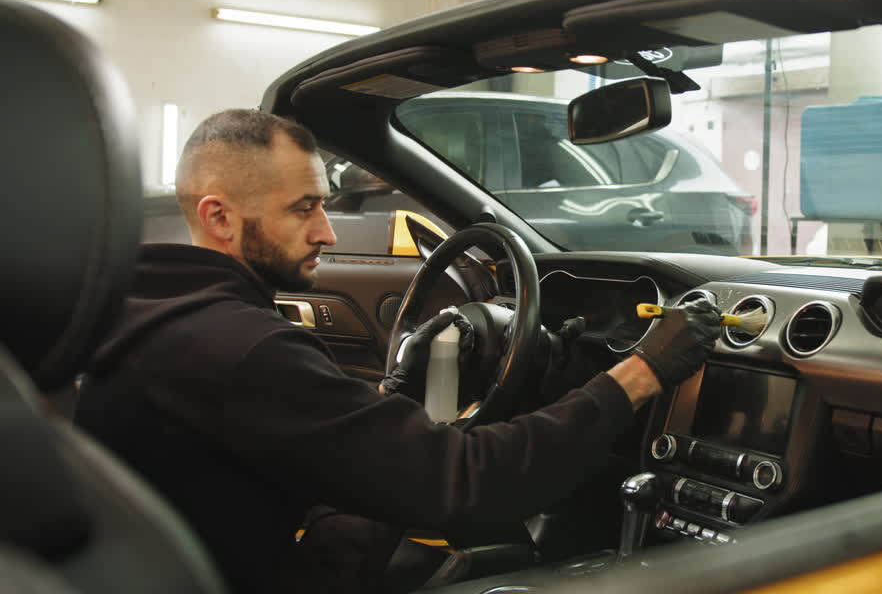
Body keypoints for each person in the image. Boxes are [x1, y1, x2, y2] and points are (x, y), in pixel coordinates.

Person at [74, 108, 722, 594]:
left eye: (323, 205)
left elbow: (316, 440)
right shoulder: (244, 351)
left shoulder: (141, 307)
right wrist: (643, 370)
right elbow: (467, 481)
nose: (326, 231)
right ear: (218, 217)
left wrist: (397, 401)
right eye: (303, 209)